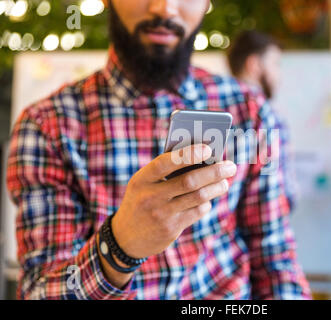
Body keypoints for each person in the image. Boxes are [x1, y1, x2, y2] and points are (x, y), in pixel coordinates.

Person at [6, 0, 310, 299]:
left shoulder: (252, 111)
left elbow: (274, 257)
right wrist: (120, 245)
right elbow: (39, 292)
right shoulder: (47, 126)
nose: (165, 8)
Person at [227, 30, 300, 209]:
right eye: (275, 64)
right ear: (255, 64)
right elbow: (274, 187)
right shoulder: (265, 114)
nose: (279, 74)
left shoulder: (214, 111)